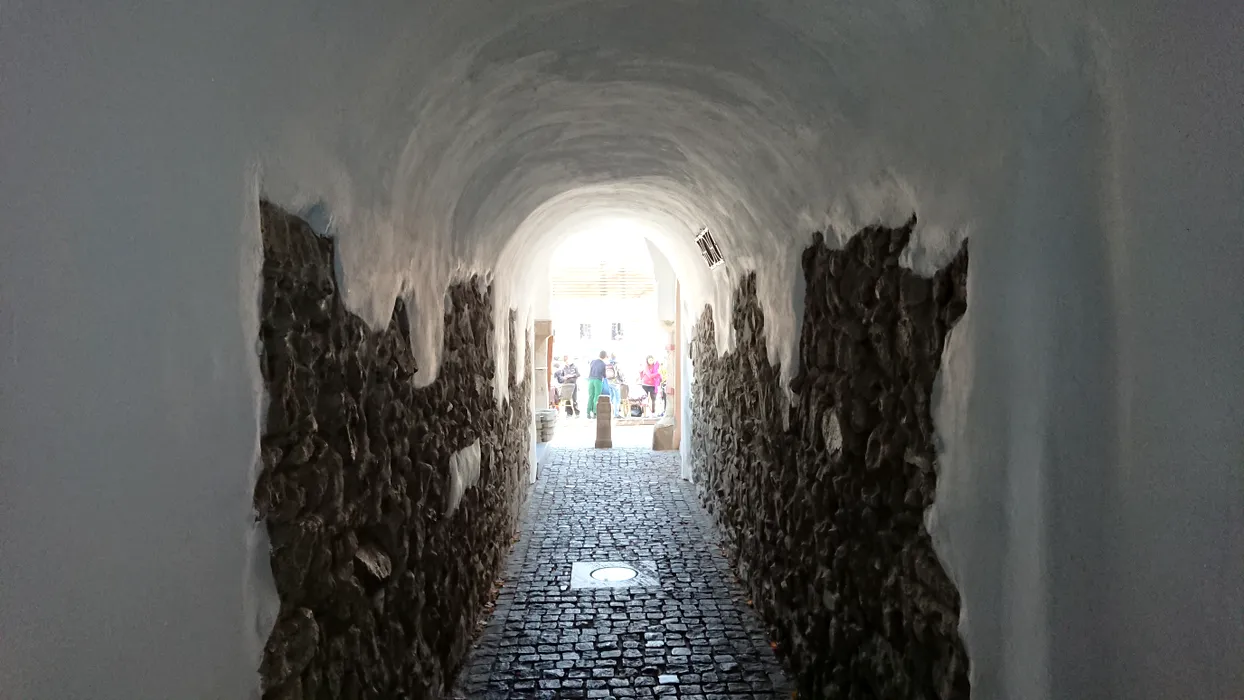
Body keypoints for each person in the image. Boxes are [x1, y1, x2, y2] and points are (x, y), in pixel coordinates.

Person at [586, 350, 608, 419]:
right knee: (597, 396)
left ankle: (588, 412)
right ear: (605, 357)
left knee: (590, 396)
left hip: (590, 380)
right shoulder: (603, 364)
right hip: (598, 380)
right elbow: (604, 375)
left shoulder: (592, 361)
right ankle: (595, 412)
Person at [605, 353, 623, 417]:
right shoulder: (616, 364)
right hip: (616, 383)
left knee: (611, 398)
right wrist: (622, 380)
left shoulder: (607, 364)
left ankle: (610, 413)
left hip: (609, 382)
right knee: (617, 399)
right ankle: (616, 414)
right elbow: (620, 373)